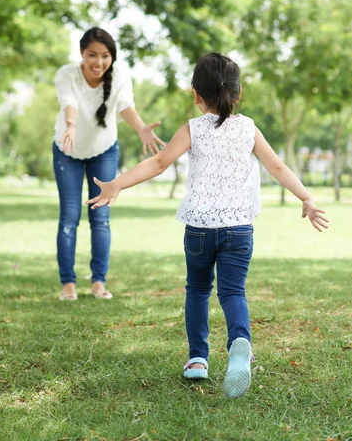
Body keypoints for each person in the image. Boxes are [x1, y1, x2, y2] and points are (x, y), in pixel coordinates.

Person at [86, 52, 329, 398]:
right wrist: (306, 198)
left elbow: (158, 163)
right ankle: (239, 342)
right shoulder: (249, 128)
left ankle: (198, 358)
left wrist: (117, 184)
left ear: (196, 95)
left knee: (198, 290)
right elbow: (277, 167)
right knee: (232, 292)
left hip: (199, 229)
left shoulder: (192, 128)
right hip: (239, 229)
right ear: (238, 92)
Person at [53, 26, 165, 302]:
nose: (98, 62)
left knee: (100, 219)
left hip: (103, 149)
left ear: (112, 56)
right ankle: (68, 284)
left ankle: (98, 282)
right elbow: (69, 102)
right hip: (67, 148)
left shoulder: (120, 76)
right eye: (92, 55)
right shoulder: (67, 74)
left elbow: (125, 105)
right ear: (82, 53)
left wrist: (140, 129)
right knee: (69, 218)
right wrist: (70, 126)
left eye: (105, 55)